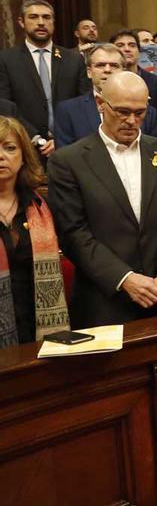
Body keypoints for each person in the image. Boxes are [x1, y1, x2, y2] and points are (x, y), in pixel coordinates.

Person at [47, 71, 157, 327]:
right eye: (122, 111)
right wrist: (125, 278)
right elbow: (74, 233)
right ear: (100, 104)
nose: (131, 120)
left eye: (139, 112)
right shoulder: (68, 161)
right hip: (106, 302)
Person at [0, 117, 69, 347]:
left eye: (10, 148)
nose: (1, 156)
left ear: (23, 157)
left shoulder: (40, 207)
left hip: (37, 330)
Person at [0, 0, 91, 157]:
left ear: (53, 22)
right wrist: (35, 138)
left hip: (70, 147)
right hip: (25, 148)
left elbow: (84, 102)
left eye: (47, 17)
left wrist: (62, 139)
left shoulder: (73, 59)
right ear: (21, 22)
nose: (41, 22)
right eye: (33, 17)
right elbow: (5, 105)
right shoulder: (6, 60)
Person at [55, 44, 157, 147]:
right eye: (100, 65)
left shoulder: (148, 112)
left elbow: (155, 153)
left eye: (114, 65)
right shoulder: (68, 111)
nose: (107, 70)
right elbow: (66, 158)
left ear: (123, 71)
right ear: (89, 72)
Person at [109, 30, 157, 122]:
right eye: (120, 45)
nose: (127, 49)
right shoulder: (106, 82)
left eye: (132, 45)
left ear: (139, 51)